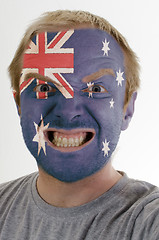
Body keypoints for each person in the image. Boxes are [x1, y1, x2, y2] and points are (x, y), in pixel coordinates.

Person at [0, 10, 159, 240]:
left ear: (127, 109)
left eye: (95, 90)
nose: (68, 112)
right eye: (44, 88)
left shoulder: (148, 220)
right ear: (19, 105)